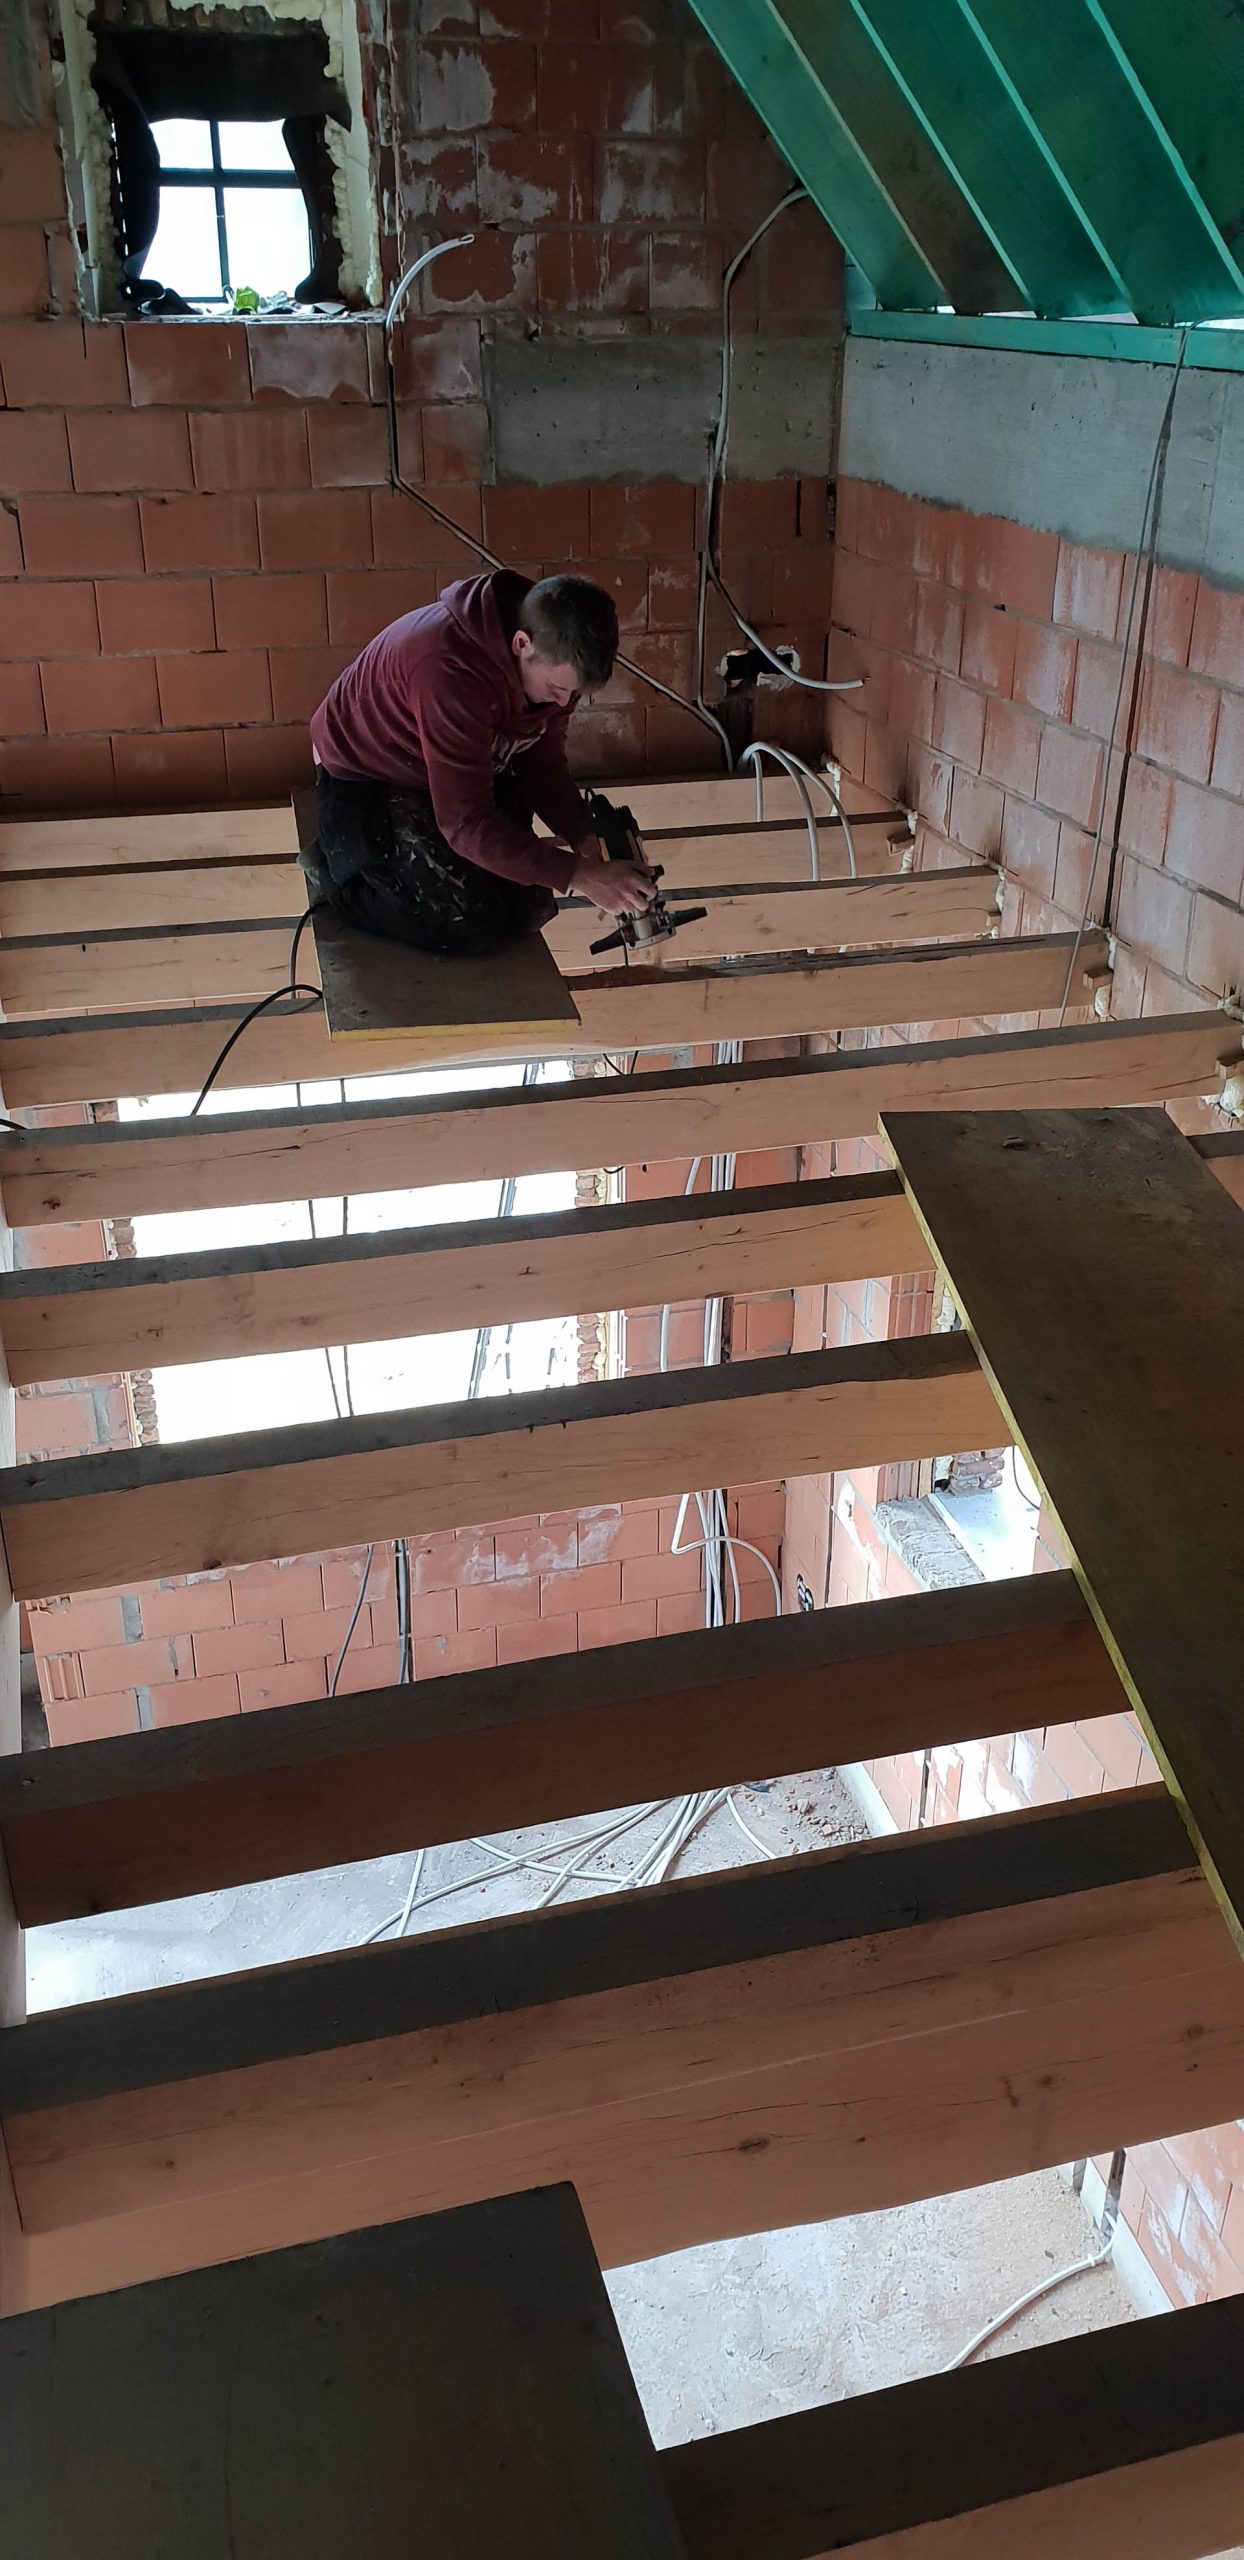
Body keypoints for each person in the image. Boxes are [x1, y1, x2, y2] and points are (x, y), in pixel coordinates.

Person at [308, 569, 654, 957]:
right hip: (369, 773)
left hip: (448, 761)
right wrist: (580, 875)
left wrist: (585, 838)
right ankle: (342, 874)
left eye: (571, 693)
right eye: (556, 689)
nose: (561, 703)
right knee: (462, 921)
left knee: (527, 904)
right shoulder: (447, 668)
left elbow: (541, 766)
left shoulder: (553, 647)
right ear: (521, 643)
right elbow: (464, 823)